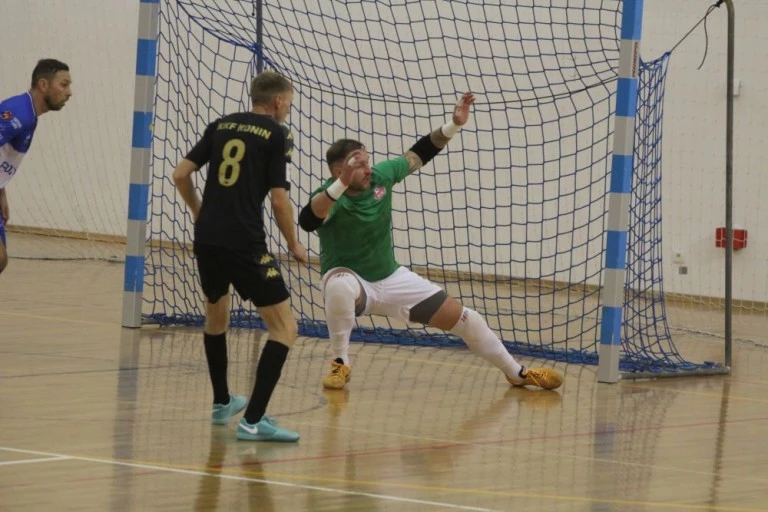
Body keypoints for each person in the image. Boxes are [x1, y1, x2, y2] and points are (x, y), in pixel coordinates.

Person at [298, 92, 563, 392]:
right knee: (339, 286)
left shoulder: (380, 178)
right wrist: (341, 184)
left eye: (368, 161)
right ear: (339, 172)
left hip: (391, 277)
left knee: (467, 318)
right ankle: (340, 363)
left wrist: (453, 125)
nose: (369, 169)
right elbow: (308, 220)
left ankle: (518, 373)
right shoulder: (329, 196)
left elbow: (419, 153)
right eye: (359, 165)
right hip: (352, 279)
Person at [173, 70, 308, 442]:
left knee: (216, 314)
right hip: (243, 241)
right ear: (278, 102)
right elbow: (279, 199)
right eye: (289, 105)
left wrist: (199, 211)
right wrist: (294, 244)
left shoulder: (221, 125)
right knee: (285, 328)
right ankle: (253, 421)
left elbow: (181, 174)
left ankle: (221, 402)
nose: (288, 112)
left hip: (207, 239)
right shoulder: (278, 134)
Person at [0, 59, 72, 275]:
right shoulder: (18, 113)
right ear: (43, 85)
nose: (69, 93)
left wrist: (1, 190)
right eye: (64, 84)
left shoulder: (30, 116)